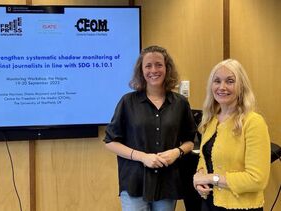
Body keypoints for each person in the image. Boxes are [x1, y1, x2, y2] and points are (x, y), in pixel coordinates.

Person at [104, 45, 196, 211]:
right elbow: (110, 142)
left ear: (167, 68)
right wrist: (143, 157)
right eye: (148, 65)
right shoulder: (127, 102)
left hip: (167, 182)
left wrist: (177, 152)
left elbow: (190, 141)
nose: (154, 70)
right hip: (134, 182)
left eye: (159, 65)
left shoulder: (180, 103)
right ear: (141, 70)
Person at [193, 59, 270, 211]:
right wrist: (199, 176)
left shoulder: (253, 122)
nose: (222, 87)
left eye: (230, 81)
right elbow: (205, 156)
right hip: (210, 203)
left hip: (241, 207)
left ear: (241, 86)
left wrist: (211, 178)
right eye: (217, 81)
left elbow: (257, 179)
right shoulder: (211, 119)